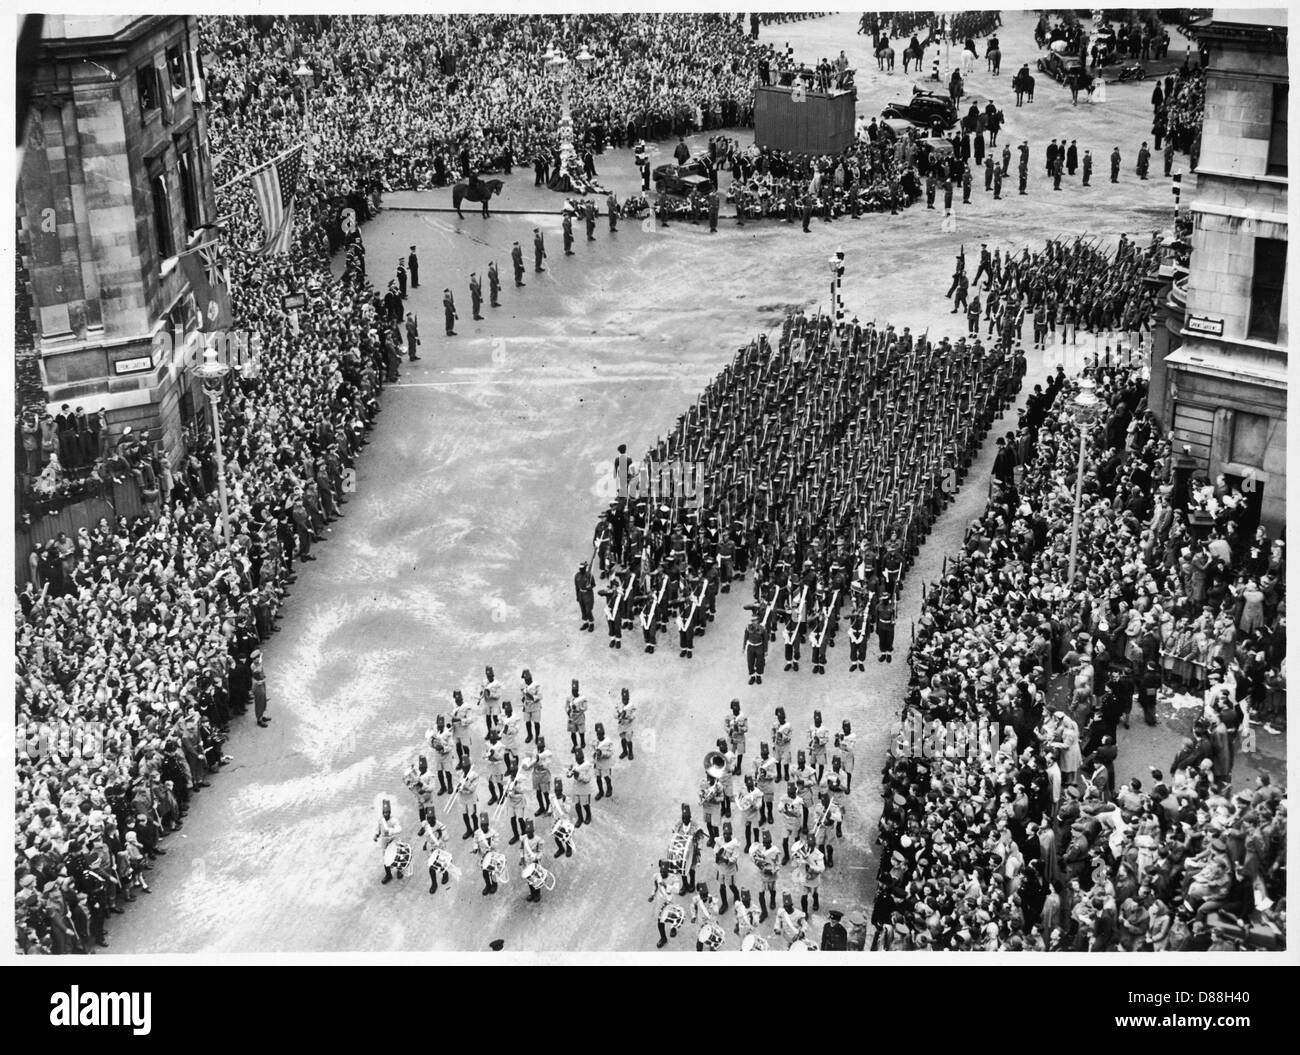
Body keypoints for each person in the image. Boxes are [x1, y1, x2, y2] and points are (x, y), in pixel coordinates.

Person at [374, 795, 401, 885]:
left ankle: (399, 870)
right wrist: (376, 835)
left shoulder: (394, 820)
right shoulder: (381, 820)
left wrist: (391, 831)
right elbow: (378, 828)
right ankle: (388, 874)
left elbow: (399, 829)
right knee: (386, 858)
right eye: (384, 812)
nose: (385, 814)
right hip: (384, 841)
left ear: (389, 812)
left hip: (393, 839)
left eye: (387, 812)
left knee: (396, 855)